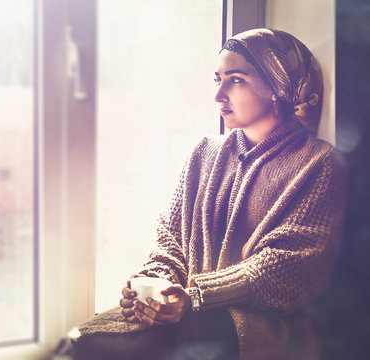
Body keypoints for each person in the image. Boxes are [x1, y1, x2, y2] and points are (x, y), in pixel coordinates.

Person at [56, 28, 347, 360]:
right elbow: (170, 238)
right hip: (184, 317)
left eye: (235, 80)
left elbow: (289, 268)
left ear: (278, 85)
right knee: (76, 344)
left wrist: (195, 298)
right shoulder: (203, 153)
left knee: (193, 337)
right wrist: (154, 288)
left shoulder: (320, 163)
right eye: (217, 79)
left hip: (261, 330)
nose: (219, 95)